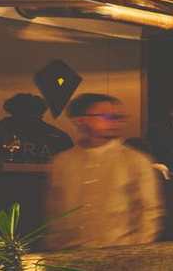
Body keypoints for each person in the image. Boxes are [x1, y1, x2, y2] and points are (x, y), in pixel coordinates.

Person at [44, 93, 164, 250]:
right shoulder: (63, 162)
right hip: (69, 255)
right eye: (107, 116)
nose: (115, 121)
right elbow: (55, 213)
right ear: (81, 120)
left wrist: (134, 252)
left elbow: (150, 213)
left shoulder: (136, 160)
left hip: (119, 253)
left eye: (119, 117)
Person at [0, 92, 74, 162]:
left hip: (3, 180)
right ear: (41, 112)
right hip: (46, 181)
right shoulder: (59, 137)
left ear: (11, 111)